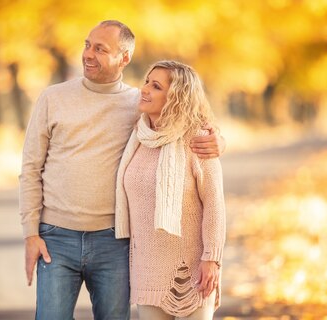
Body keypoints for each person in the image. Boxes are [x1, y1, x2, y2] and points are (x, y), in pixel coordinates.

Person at [19, 21, 225, 320]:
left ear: (124, 58)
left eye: (100, 49)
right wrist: (30, 233)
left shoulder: (138, 104)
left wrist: (218, 139)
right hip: (56, 238)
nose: (88, 54)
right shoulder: (53, 98)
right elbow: (30, 167)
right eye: (87, 45)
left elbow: (185, 120)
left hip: (113, 240)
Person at [115, 60, 226, 320]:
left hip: (192, 269)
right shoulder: (137, 136)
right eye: (146, 82)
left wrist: (211, 258)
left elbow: (214, 203)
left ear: (176, 97)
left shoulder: (197, 140)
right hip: (147, 267)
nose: (145, 89)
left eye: (156, 86)